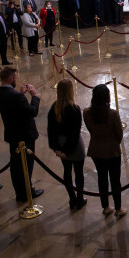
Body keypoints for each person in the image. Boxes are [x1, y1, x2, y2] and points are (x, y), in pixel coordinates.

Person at [0, 67, 44, 202]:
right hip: (25, 135)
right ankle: (27, 193)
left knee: (15, 167)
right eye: (15, 77)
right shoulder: (17, 97)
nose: (16, 79)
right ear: (10, 78)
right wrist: (34, 96)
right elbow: (32, 111)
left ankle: (19, 193)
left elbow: (13, 107)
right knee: (26, 166)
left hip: (11, 133)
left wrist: (20, 94)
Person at [84, 84, 125, 217]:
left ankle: (106, 206)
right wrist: (113, 143)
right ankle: (118, 208)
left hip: (96, 149)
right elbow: (119, 133)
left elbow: (90, 129)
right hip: (112, 150)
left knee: (102, 178)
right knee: (115, 180)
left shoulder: (86, 112)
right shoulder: (112, 114)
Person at [47, 79, 86, 210]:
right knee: (79, 173)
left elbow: (50, 130)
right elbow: (75, 134)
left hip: (61, 144)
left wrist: (57, 149)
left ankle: (72, 198)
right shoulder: (74, 109)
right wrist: (67, 150)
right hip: (73, 146)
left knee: (67, 171)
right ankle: (79, 199)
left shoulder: (54, 108)